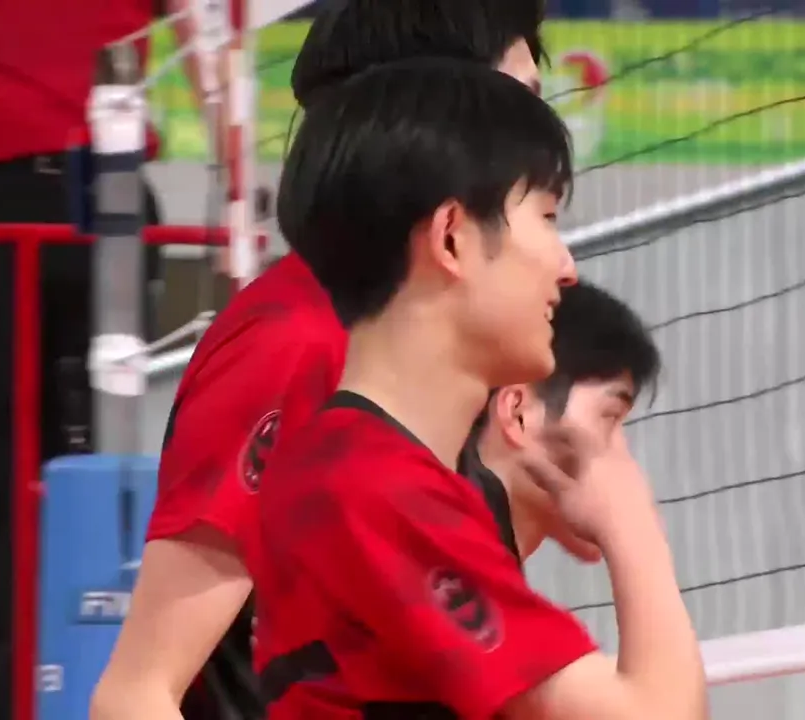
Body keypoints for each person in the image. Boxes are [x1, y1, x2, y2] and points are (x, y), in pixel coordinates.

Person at [90, 2, 552, 718]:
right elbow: (138, 691)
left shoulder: (441, 350)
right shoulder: (296, 340)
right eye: (520, 101)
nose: (541, 136)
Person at [253, 59, 706, 718]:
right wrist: (630, 520)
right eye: (546, 217)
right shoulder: (377, 490)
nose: (566, 266)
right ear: (452, 238)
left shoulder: (366, 473)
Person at [0, 1, 237, 718]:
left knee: (97, 473)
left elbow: (206, 34)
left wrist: (239, 200)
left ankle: (105, 686)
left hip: (100, 189)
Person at [460, 280, 661, 564]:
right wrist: (634, 542)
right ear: (518, 413)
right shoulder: (453, 571)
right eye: (610, 416)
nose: (624, 459)